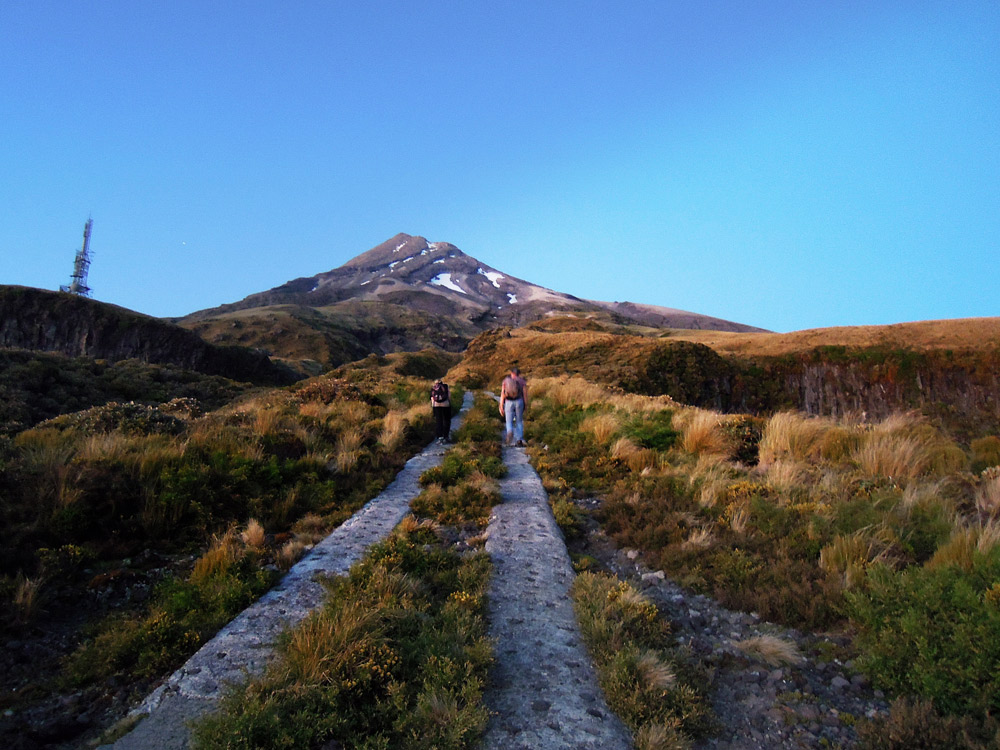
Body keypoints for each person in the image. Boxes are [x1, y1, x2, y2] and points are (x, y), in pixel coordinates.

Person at [499, 366, 528, 447]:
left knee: (509, 421)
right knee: (519, 421)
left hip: (508, 402)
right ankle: (519, 439)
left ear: (511, 373)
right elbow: (525, 394)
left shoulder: (505, 381)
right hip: (519, 402)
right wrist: (526, 405)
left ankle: (509, 432)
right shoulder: (522, 381)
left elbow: (502, 393)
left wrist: (501, 405)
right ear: (518, 374)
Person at [430, 378, 451, 443]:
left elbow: (432, 398)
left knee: (439, 421)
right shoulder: (445, 387)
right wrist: (449, 403)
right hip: (446, 405)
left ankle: (440, 437)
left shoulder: (433, 388)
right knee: (446, 420)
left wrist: (433, 407)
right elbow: (449, 396)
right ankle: (446, 436)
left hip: (436, 406)